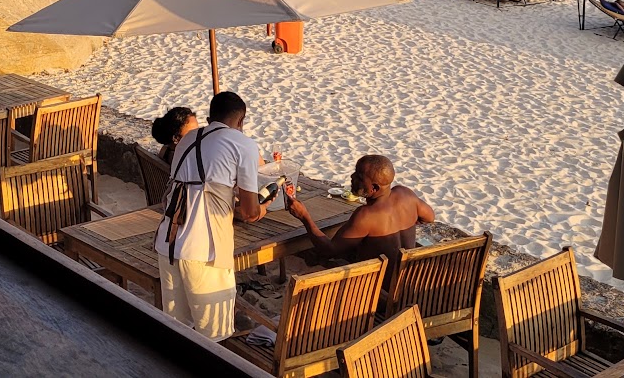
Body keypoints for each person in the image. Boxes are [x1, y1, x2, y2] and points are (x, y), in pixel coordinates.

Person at [155, 92, 265, 341]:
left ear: (209, 117)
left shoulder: (188, 138)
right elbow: (249, 212)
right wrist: (262, 208)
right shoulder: (242, 143)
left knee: (176, 328)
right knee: (214, 337)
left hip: (168, 243)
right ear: (241, 120)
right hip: (204, 252)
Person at [285, 155, 434, 282]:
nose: (352, 178)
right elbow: (430, 217)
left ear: (374, 188)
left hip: (378, 290)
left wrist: (304, 217)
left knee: (321, 258)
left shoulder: (366, 215)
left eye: (359, 177)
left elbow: (328, 250)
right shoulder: (405, 194)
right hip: (405, 282)